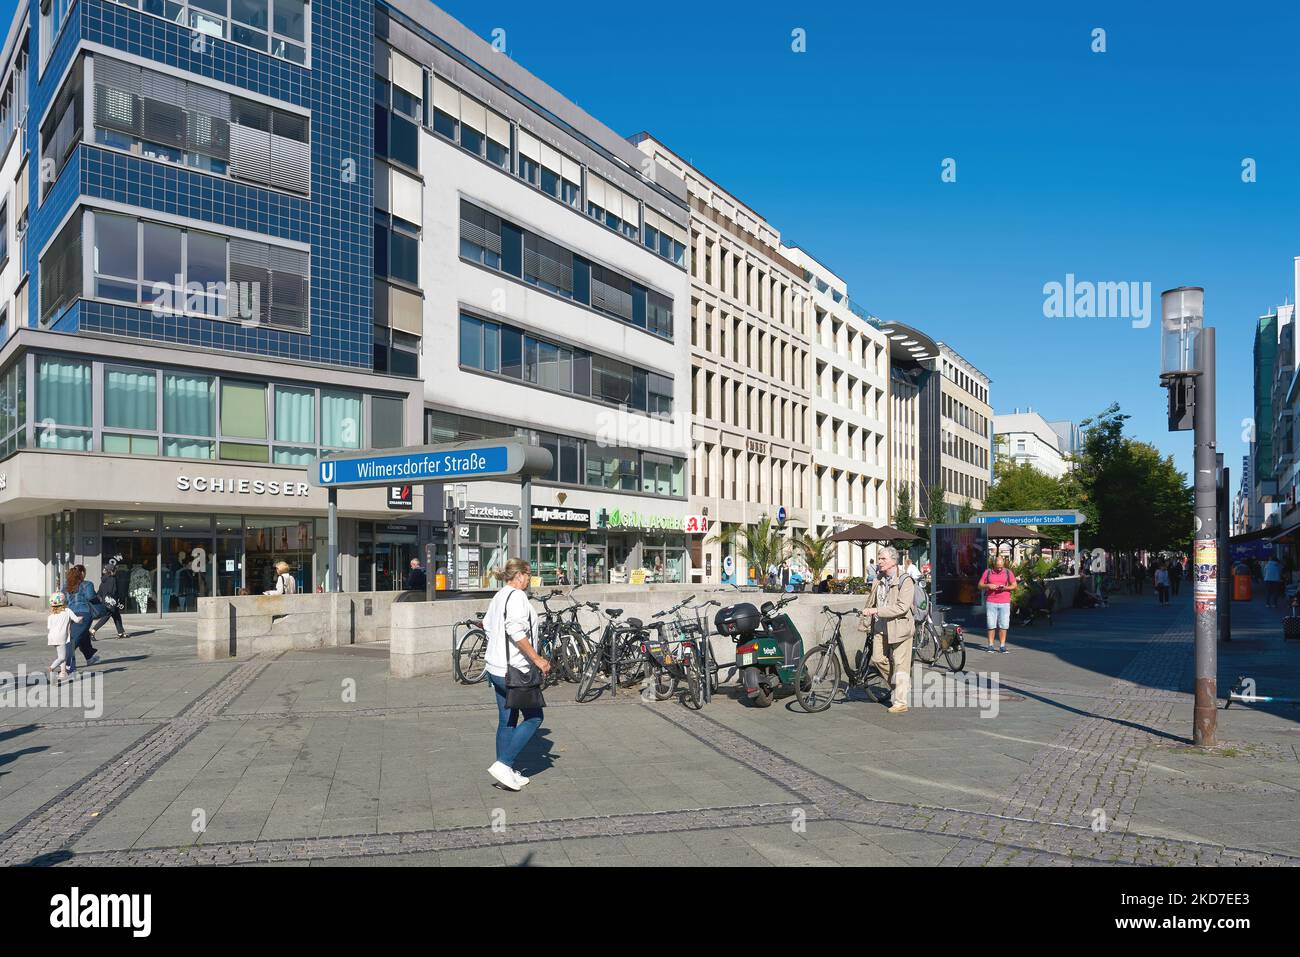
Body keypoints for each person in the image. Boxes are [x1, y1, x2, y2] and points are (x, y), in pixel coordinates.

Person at [483, 558, 550, 791]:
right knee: (534, 717)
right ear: (519, 575)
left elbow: (487, 625)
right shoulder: (518, 597)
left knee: (507, 720)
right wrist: (537, 658)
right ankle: (504, 764)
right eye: (528, 574)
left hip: (495, 668)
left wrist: (498, 651)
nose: (529, 579)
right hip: (515, 671)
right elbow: (514, 629)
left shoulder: (499, 595)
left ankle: (506, 773)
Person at [861, 546, 916, 714]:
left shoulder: (905, 580)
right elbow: (873, 601)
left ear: (893, 561)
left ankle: (900, 702)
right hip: (880, 626)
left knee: (901, 663)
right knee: (877, 659)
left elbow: (901, 607)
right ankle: (899, 685)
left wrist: (876, 611)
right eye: (879, 559)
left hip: (900, 627)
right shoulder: (878, 578)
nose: (879, 562)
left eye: (883, 559)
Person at [978, 554, 1016, 653]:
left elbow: (1014, 586)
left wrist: (1005, 588)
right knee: (991, 624)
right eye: (998, 567)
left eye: (1001, 567)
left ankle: (1002, 646)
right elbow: (980, 585)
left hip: (1004, 602)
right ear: (994, 564)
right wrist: (988, 585)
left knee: (1003, 625)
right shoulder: (988, 572)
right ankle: (990, 645)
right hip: (991, 601)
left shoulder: (1008, 572)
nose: (999, 569)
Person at [64, 565, 100, 667]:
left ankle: (90, 658)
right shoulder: (87, 584)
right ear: (82, 573)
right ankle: (66, 662)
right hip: (84, 613)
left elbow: (65, 600)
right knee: (75, 638)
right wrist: (98, 598)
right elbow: (90, 596)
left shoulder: (66, 585)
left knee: (83, 635)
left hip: (70, 613)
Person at [88, 557, 129, 641]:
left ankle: (121, 632)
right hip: (111, 601)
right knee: (107, 616)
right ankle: (93, 631)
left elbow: (100, 591)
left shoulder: (104, 579)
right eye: (115, 570)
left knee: (116, 615)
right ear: (112, 571)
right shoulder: (112, 579)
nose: (116, 571)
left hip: (105, 601)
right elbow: (113, 591)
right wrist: (118, 598)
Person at [47, 591, 82, 680]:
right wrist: (81, 618)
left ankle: (63, 672)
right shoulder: (67, 611)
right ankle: (51, 668)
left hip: (52, 637)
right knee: (62, 657)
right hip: (61, 637)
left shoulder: (51, 615)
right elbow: (77, 620)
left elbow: (49, 627)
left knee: (61, 655)